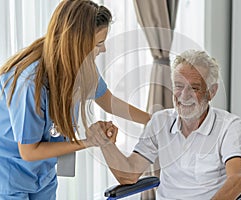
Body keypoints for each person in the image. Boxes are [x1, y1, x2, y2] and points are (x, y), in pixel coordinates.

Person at [0, 0, 150, 199]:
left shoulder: (81, 65)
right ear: (76, 42)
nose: (103, 50)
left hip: (43, 175)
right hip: (10, 177)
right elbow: (29, 151)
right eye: (99, 43)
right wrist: (89, 141)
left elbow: (109, 102)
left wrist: (157, 120)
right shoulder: (28, 83)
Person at [98, 50, 241, 200]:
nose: (184, 95)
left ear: (211, 92)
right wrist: (105, 143)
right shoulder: (159, 121)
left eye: (194, 88)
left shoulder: (229, 125)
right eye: (178, 86)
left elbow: (237, 182)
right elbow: (129, 176)